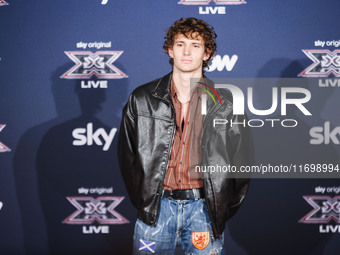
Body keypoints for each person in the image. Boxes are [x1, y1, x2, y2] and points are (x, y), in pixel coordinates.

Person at [118, 17, 253, 255]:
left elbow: (242, 165)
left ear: (207, 53)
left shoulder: (227, 104)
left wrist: (218, 208)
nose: (187, 52)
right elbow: (127, 159)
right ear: (170, 50)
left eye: (195, 45)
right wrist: (146, 202)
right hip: (156, 210)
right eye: (180, 44)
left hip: (204, 210)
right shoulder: (141, 99)